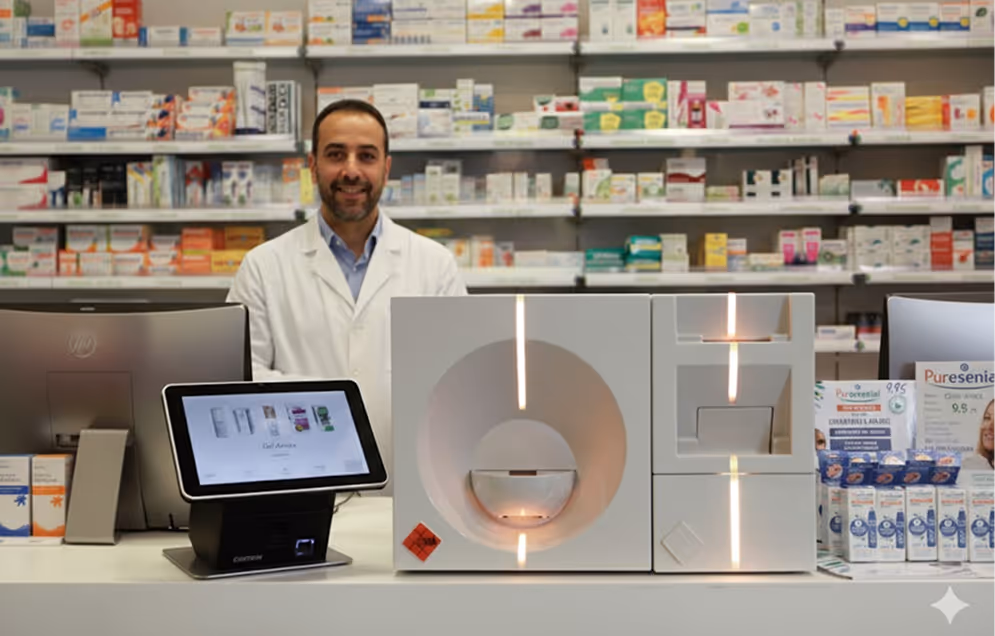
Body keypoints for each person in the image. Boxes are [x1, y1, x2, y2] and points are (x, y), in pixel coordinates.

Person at [227, 99, 468, 490]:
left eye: (367, 156)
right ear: (313, 164)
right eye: (336, 154)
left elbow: (461, 381)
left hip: (408, 492)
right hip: (298, 487)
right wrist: (319, 407)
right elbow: (236, 381)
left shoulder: (434, 266)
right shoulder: (262, 266)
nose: (351, 170)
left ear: (386, 168)